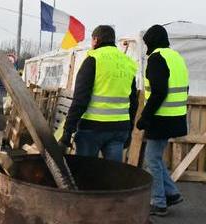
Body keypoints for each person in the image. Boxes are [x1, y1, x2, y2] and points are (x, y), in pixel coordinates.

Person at [59, 25, 138, 162]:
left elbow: (80, 99)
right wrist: (130, 129)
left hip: (92, 129)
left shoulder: (93, 59)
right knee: (112, 175)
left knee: (86, 173)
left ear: (95, 39)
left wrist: (67, 131)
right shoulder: (128, 62)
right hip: (120, 129)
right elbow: (133, 101)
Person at [137, 24, 187, 216]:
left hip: (161, 118)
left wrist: (144, 117)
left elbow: (158, 92)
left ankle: (159, 202)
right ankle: (172, 193)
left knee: (152, 159)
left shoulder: (157, 59)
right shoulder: (176, 57)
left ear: (151, 41)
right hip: (176, 117)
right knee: (155, 158)